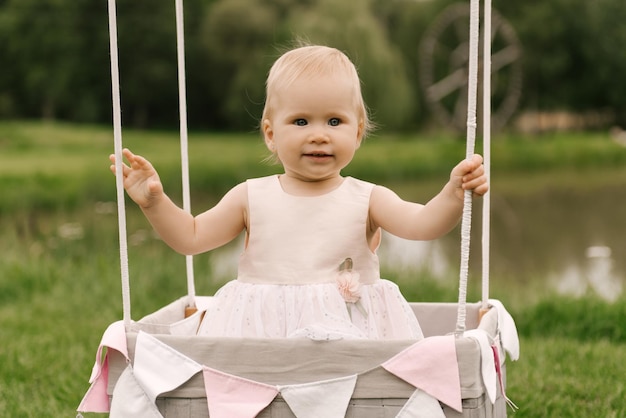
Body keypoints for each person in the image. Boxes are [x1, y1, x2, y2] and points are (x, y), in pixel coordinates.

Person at [110, 44, 488, 340]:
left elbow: (422, 225)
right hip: (262, 337)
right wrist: (155, 202)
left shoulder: (368, 198)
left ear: (357, 133)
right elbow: (191, 238)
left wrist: (454, 194)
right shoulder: (250, 197)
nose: (319, 134)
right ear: (271, 134)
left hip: (350, 339)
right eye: (301, 121)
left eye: (335, 121)